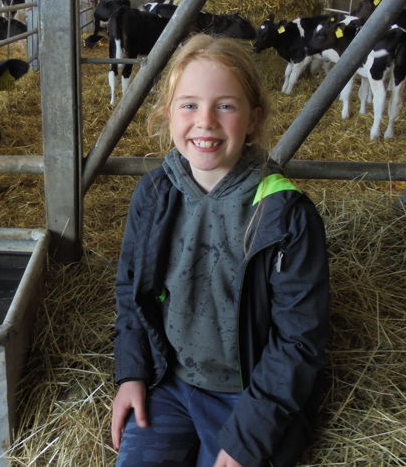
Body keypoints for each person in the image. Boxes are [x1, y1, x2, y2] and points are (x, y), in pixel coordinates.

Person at [110, 34, 329, 467]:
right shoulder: (154, 194)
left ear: (253, 119)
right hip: (169, 383)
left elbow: (299, 339)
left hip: (247, 396)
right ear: (168, 114)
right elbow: (131, 291)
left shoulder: (284, 214)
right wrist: (132, 373)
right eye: (189, 105)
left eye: (225, 106)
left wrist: (251, 436)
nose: (205, 122)